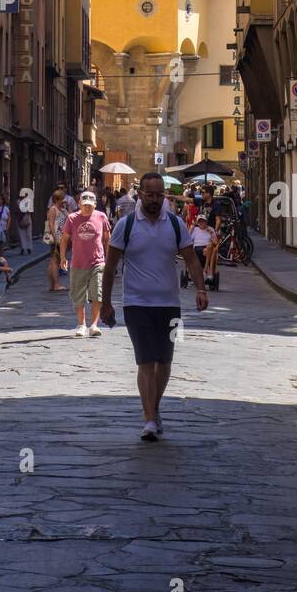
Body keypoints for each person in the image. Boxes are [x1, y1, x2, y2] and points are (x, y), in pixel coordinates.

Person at [101, 171, 208, 443]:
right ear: (140, 194)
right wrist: (106, 303)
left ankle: (154, 407)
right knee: (146, 360)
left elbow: (191, 261)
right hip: (136, 304)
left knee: (165, 361)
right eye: (150, 194)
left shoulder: (175, 225)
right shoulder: (125, 225)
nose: (155, 199)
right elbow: (111, 267)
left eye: (160, 194)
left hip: (170, 305)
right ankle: (149, 418)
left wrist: (201, 288)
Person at [60, 189, 110, 338]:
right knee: (78, 294)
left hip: (98, 262)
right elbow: (64, 239)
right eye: (85, 204)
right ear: (79, 204)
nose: (87, 207)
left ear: (95, 205)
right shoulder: (72, 218)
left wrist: (109, 260)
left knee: (98, 294)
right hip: (78, 262)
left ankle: (94, 325)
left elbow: (108, 239)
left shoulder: (101, 217)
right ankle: (81, 325)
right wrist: (63, 257)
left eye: (90, 205)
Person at [183, 211, 220, 291]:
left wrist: (211, 233)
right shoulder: (195, 229)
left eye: (203, 221)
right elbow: (188, 240)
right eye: (200, 221)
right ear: (198, 222)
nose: (201, 223)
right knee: (208, 248)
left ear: (206, 222)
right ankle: (206, 271)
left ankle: (205, 270)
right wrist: (191, 230)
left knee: (210, 247)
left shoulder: (210, 229)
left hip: (208, 250)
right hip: (198, 249)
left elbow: (216, 242)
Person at [44, 188, 68, 292]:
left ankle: (52, 284)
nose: (64, 200)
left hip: (62, 238)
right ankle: (56, 284)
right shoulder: (53, 209)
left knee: (55, 261)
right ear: (58, 199)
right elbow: (50, 223)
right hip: (57, 238)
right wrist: (55, 237)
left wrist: (68, 206)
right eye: (63, 198)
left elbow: (71, 216)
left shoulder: (63, 210)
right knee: (55, 260)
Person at [17, 188, 34, 254]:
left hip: (27, 219)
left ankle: (29, 247)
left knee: (28, 234)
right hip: (20, 219)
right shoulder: (18, 201)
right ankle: (23, 248)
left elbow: (29, 210)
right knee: (21, 234)